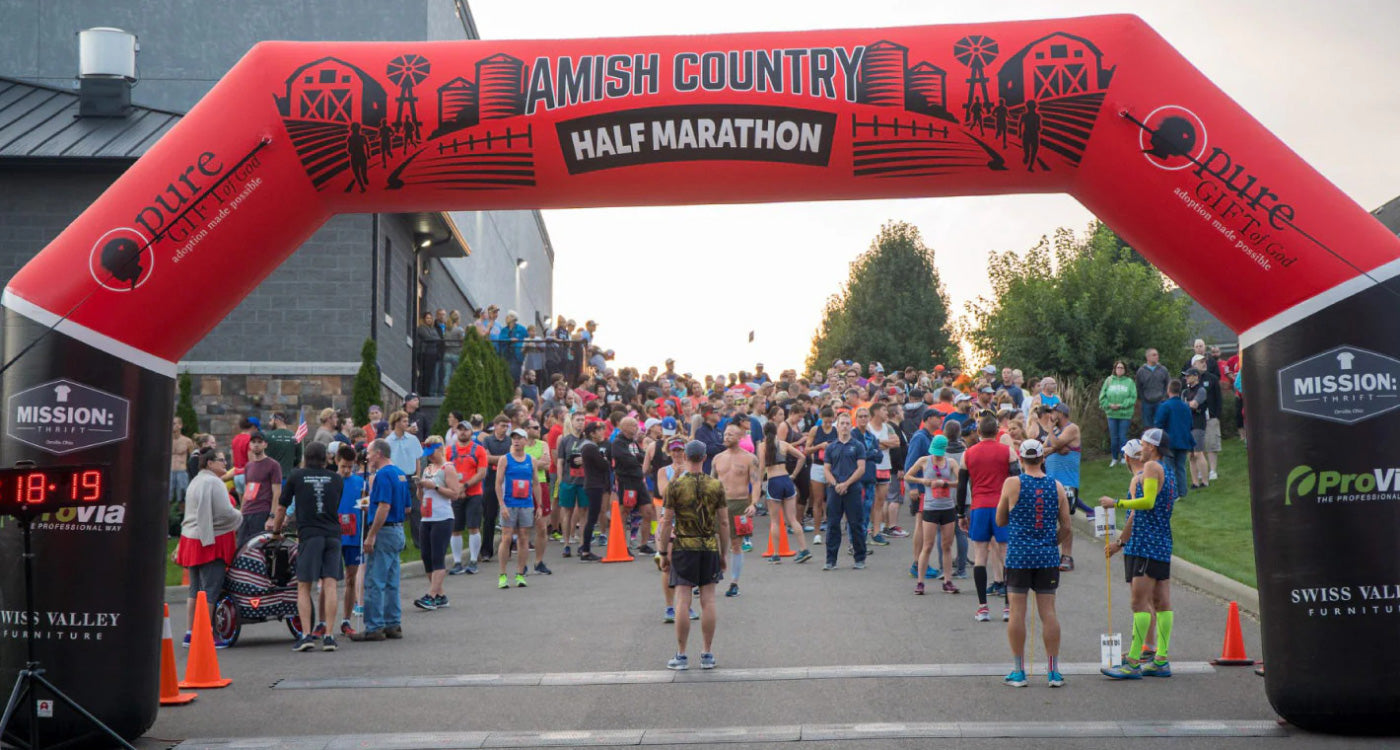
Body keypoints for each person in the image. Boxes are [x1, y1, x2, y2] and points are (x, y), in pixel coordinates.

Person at [1101, 428, 1179, 679]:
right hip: (1161, 540)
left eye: (1144, 444)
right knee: (1161, 601)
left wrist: (1117, 503)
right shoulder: (1167, 470)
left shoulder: (1153, 468)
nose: (1141, 448)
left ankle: (1133, 662)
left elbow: (1147, 503)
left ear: (1153, 448)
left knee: (1139, 602)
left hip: (1146, 542)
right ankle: (1161, 658)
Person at [996, 439, 1071, 688]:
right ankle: (1053, 671)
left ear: (1020, 459)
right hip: (1047, 556)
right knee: (1048, 612)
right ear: (1042, 459)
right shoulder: (1057, 486)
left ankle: (1019, 671)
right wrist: (1051, 542)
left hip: (1019, 555)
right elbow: (1067, 527)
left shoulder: (1012, 483)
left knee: (1017, 611)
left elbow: (1000, 519)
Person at [658, 440, 731, 671]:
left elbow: (667, 521)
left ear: (686, 457)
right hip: (708, 546)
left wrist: (662, 552)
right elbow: (724, 522)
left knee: (682, 600)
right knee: (708, 600)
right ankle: (707, 653)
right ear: (705, 457)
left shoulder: (675, 486)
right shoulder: (715, 485)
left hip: (683, 546)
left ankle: (681, 655)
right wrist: (723, 552)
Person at [273, 441, 344, 652]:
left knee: (304, 585)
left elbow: (281, 507)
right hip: (332, 534)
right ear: (325, 458)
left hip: (309, 535)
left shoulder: (296, 476)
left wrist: (276, 531)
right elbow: (336, 503)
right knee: (330, 584)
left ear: (306, 456)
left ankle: (306, 634)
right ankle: (330, 635)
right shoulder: (336, 478)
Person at [176, 449, 241, 648]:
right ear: (210, 463)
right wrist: (240, 516)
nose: (225, 463)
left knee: (194, 590)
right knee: (210, 591)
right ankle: (205, 633)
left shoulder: (195, 481)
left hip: (191, 538)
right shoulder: (214, 482)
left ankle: (190, 633)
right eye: (222, 460)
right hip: (210, 541)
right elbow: (225, 513)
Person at [354, 438, 412, 642]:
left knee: (375, 580)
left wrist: (371, 535)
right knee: (391, 580)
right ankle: (393, 623)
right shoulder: (400, 473)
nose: (367, 457)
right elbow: (407, 508)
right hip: (397, 530)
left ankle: (374, 626)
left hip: (385, 531)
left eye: (369, 453)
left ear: (378, 453)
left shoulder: (382, 475)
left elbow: (384, 506)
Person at [959, 416, 1014, 622]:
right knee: (1006, 554)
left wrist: (959, 513)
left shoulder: (968, 453)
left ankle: (983, 607)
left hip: (979, 507)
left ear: (978, 432)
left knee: (980, 556)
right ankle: (1008, 607)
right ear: (997, 431)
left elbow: (962, 485)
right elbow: (1015, 478)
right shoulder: (1007, 452)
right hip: (1002, 506)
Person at [907, 435, 960, 595]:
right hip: (930, 506)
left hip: (947, 506)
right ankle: (920, 582)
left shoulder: (951, 463)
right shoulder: (924, 461)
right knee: (928, 545)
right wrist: (923, 482)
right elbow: (908, 475)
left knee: (947, 545)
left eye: (939, 453)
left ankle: (947, 580)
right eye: (934, 453)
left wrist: (945, 484)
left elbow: (961, 481)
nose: (936, 456)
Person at [712, 423, 761, 596]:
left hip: (740, 504)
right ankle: (713, 575)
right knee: (714, 541)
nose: (727, 437)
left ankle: (734, 582)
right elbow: (712, 483)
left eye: (731, 434)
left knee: (736, 544)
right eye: (725, 434)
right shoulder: (717, 458)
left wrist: (753, 503)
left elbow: (756, 483)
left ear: (740, 437)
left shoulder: (750, 458)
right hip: (719, 504)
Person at [655, 438, 700, 623]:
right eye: (674, 450)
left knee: (687, 565)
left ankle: (685, 605)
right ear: (668, 451)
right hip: (669, 520)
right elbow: (664, 493)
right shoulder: (663, 471)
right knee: (667, 564)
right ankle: (669, 607)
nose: (677, 453)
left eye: (680, 450)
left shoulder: (693, 470)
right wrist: (675, 477)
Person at [1043, 403, 1091, 573]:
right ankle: (1050, 552)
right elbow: (1045, 449)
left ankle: (1067, 556)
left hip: (1067, 481)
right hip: (1050, 479)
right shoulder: (1055, 431)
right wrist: (1054, 447)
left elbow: (1055, 444)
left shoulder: (1072, 428)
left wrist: (1052, 437)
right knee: (1049, 518)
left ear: (1061, 413)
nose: (1050, 415)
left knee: (1065, 521)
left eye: (1053, 412)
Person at [414, 437, 461, 609]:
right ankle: (440, 594)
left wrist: (435, 486)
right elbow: (421, 497)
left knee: (437, 557)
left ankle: (431, 595)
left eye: (432, 453)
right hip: (427, 517)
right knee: (426, 557)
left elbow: (455, 493)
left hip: (442, 517)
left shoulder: (447, 468)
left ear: (440, 449)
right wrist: (420, 486)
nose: (430, 457)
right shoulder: (427, 468)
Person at [760, 421, 812, 563]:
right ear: (776, 432)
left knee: (775, 521)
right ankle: (804, 549)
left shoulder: (762, 446)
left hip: (773, 481)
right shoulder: (783, 444)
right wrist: (794, 474)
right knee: (793, 519)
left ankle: (776, 554)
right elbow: (802, 457)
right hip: (786, 480)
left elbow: (761, 467)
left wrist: (759, 484)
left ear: (764, 433)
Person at [821, 412, 867, 571]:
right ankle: (830, 560)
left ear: (851, 425)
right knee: (833, 525)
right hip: (835, 491)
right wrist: (836, 484)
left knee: (856, 524)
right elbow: (826, 469)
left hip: (853, 489)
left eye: (848, 423)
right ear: (837, 425)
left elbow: (861, 469)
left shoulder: (858, 446)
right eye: (842, 423)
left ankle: (860, 558)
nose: (845, 426)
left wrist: (846, 483)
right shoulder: (831, 447)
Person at [333, 444, 368, 637]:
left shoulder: (360, 482)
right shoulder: (332, 481)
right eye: (343, 466)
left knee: (351, 577)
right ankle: (323, 621)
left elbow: (366, 503)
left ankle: (346, 619)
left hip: (354, 535)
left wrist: (365, 504)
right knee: (328, 581)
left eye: (350, 466)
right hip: (334, 535)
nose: (346, 470)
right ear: (336, 462)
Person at [495, 428, 537, 588]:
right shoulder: (505, 460)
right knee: (506, 537)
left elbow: (536, 483)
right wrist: (501, 505)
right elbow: (498, 483)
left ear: (526, 441)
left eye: (520, 438)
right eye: (514, 438)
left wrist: (538, 506)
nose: (516, 441)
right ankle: (502, 574)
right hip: (509, 503)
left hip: (526, 504)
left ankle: (520, 574)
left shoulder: (531, 460)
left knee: (524, 537)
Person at [447, 423, 490, 575]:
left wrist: (464, 486)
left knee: (474, 527)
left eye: (466, 429)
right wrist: (456, 488)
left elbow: (481, 473)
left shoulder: (478, 450)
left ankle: (473, 560)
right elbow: (445, 471)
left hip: (474, 493)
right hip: (455, 494)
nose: (463, 432)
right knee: (455, 529)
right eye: (460, 429)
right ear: (456, 432)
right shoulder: (449, 451)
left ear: (471, 432)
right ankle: (457, 562)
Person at [612, 417, 655, 554]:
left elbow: (642, 456)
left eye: (637, 425)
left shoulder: (634, 443)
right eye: (633, 425)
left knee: (648, 511)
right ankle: (623, 545)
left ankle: (643, 545)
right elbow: (627, 459)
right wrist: (641, 462)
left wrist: (643, 460)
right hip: (627, 481)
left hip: (639, 480)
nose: (636, 428)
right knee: (624, 512)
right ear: (624, 427)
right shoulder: (618, 443)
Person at [576, 420, 612, 562]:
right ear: (592, 433)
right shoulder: (590, 447)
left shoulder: (588, 446)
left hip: (593, 484)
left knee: (592, 517)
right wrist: (605, 460)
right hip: (594, 485)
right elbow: (604, 465)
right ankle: (585, 550)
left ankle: (585, 549)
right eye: (598, 431)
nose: (601, 433)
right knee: (592, 518)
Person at [1153, 379, 1195, 499]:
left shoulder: (1165, 406)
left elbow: (1158, 424)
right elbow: (1190, 424)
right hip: (1183, 440)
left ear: (1168, 390)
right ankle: (1183, 492)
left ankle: (1173, 493)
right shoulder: (1185, 406)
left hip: (1169, 442)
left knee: (1169, 468)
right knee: (1181, 467)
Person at [479, 416, 512, 562]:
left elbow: (513, 457)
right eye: (502, 426)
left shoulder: (510, 441)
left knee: (509, 516)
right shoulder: (487, 440)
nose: (505, 429)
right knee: (489, 517)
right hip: (491, 481)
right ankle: (486, 550)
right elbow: (485, 458)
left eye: (507, 426)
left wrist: (496, 459)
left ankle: (508, 548)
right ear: (495, 426)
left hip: (507, 480)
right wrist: (504, 459)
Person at [522, 419, 553, 574]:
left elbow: (547, 464)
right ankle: (523, 563)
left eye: (538, 427)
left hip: (540, 484)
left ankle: (539, 561)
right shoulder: (519, 445)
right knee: (524, 528)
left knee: (542, 527)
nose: (538, 429)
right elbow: (516, 461)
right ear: (526, 429)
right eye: (534, 427)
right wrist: (536, 462)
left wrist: (527, 462)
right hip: (523, 486)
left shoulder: (543, 444)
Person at [240, 432, 282, 547]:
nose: (256, 445)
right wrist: (241, 512)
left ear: (265, 444)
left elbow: (277, 493)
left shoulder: (273, 465)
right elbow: (246, 491)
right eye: (253, 442)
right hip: (246, 512)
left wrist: (272, 517)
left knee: (258, 548)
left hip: (262, 512)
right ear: (249, 445)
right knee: (242, 548)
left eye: (259, 442)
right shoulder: (248, 466)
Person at [555, 412, 588, 558]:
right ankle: (566, 544)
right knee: (566, 512)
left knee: (583, 513)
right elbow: (560, 461)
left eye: (582, 420)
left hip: (584, 482)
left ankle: (582, 543)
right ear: (572, 422)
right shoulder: (565, 440)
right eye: (578, 420)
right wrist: (561, 479)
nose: (580, 423)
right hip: (568, 481)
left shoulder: (588, 441)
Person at [804, 406, 837, 545]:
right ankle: (817, 533)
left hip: (833, 466)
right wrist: (820, 446)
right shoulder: (815, 430)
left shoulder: (836, 430)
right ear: (821, 419)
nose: (828, 424)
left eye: (830, 422)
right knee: (817, 500)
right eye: (826, 422)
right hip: (818, 465)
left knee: (832, 500)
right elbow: (806, 449)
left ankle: (831, 529)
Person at [1100, 361, 1137, 467]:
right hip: (1111, 414)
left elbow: (1133, 397)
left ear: (1125, 370)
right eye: (1118, 368)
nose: (1119, 369)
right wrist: (1109, 405)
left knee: (1122, 437)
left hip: (1125, 414)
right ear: (1115, 369)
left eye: (1122, 368)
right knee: (1114, 438)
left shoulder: (1129, 382)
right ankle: (1114, 458)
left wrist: (1121, 405)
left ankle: (1124, 457)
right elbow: (1102, 397)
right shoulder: (1109, 380)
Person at [1136, 349, 1169, 430]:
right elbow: (1138, 387)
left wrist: (1164, 397)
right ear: (1148, 357)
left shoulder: (1163, 370)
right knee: (1148, 427)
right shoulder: (1141, 371)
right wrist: (1143, 399)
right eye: (1154, 355)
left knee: (1160, 425)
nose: (1156, 356)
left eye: (1157, 354)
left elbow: (1168, 384)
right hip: (1146, 403)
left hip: (1160, 402)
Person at [264, 412, 303, 480]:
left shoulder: (267, 436)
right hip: (288, 477)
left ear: (276, 420)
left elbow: (264, 457)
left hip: (272, 478)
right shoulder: (295, 437)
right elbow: (298, 459)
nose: (269, 423)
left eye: (271, 420)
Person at [416, 312, 443, 395]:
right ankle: (422, 391)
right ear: (424, 319)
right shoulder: (421, 328)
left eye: (430, 318)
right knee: (424, 373)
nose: (429, 320)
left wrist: (434, 338)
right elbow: (428, 337)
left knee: (431, 374)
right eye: (427, 318)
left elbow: (439, 338)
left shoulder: (433, 329)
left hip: (432, 353)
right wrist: (434, 339)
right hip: (424, 353)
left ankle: (427, 391)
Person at [170, 418, 194, 506]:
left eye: (174, 423)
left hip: (182, 470)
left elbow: (192, 458)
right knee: (167, 498)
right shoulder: (167, 440)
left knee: (183, 498)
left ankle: (182, 517)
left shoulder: (187, 441)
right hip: (170, 471)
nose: (171, 425)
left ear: (180, 425)